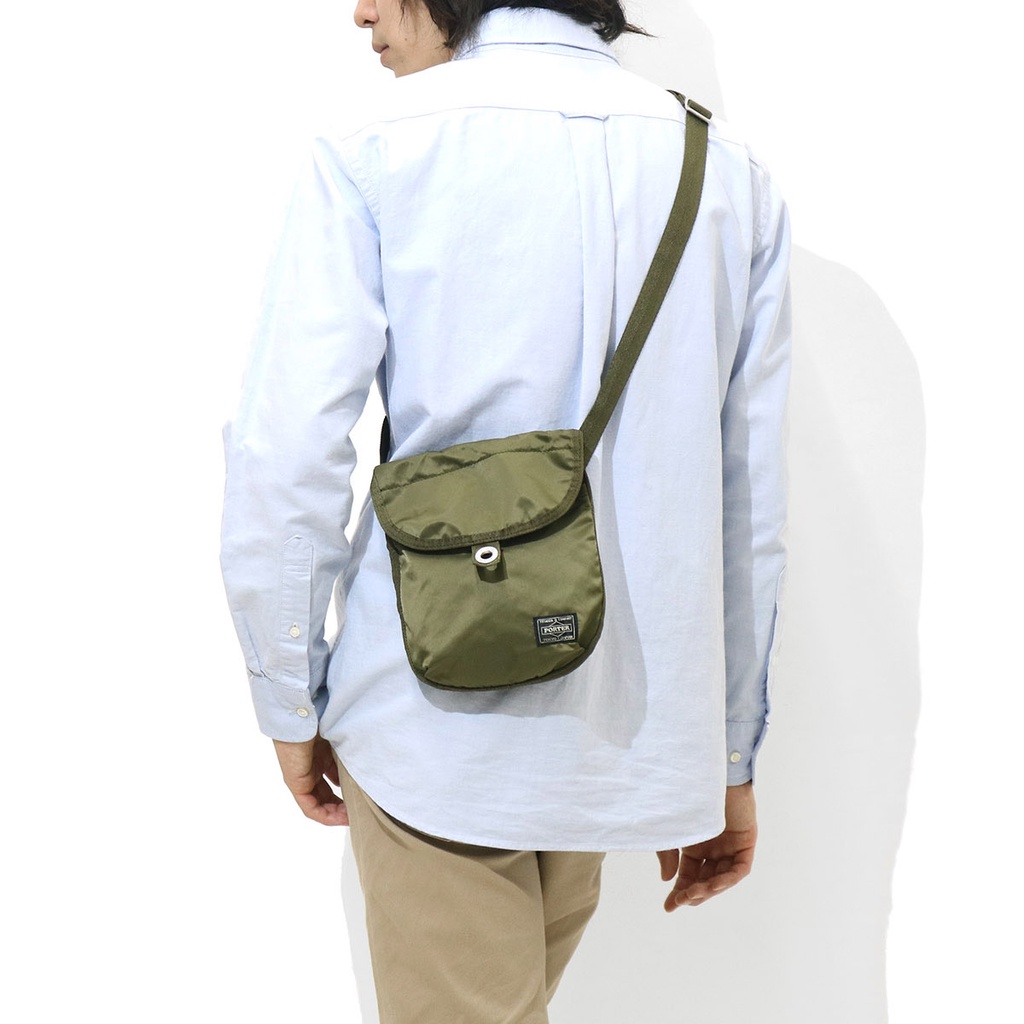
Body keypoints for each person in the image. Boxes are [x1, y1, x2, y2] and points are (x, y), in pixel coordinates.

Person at [220, 1, 791, 1020]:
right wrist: (726, 751)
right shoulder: (724, 172)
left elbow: (287, 452)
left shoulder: (376, 152)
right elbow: (748, 499)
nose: (360, 11)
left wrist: (287, 694)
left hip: (434, 724)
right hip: (626, 734)